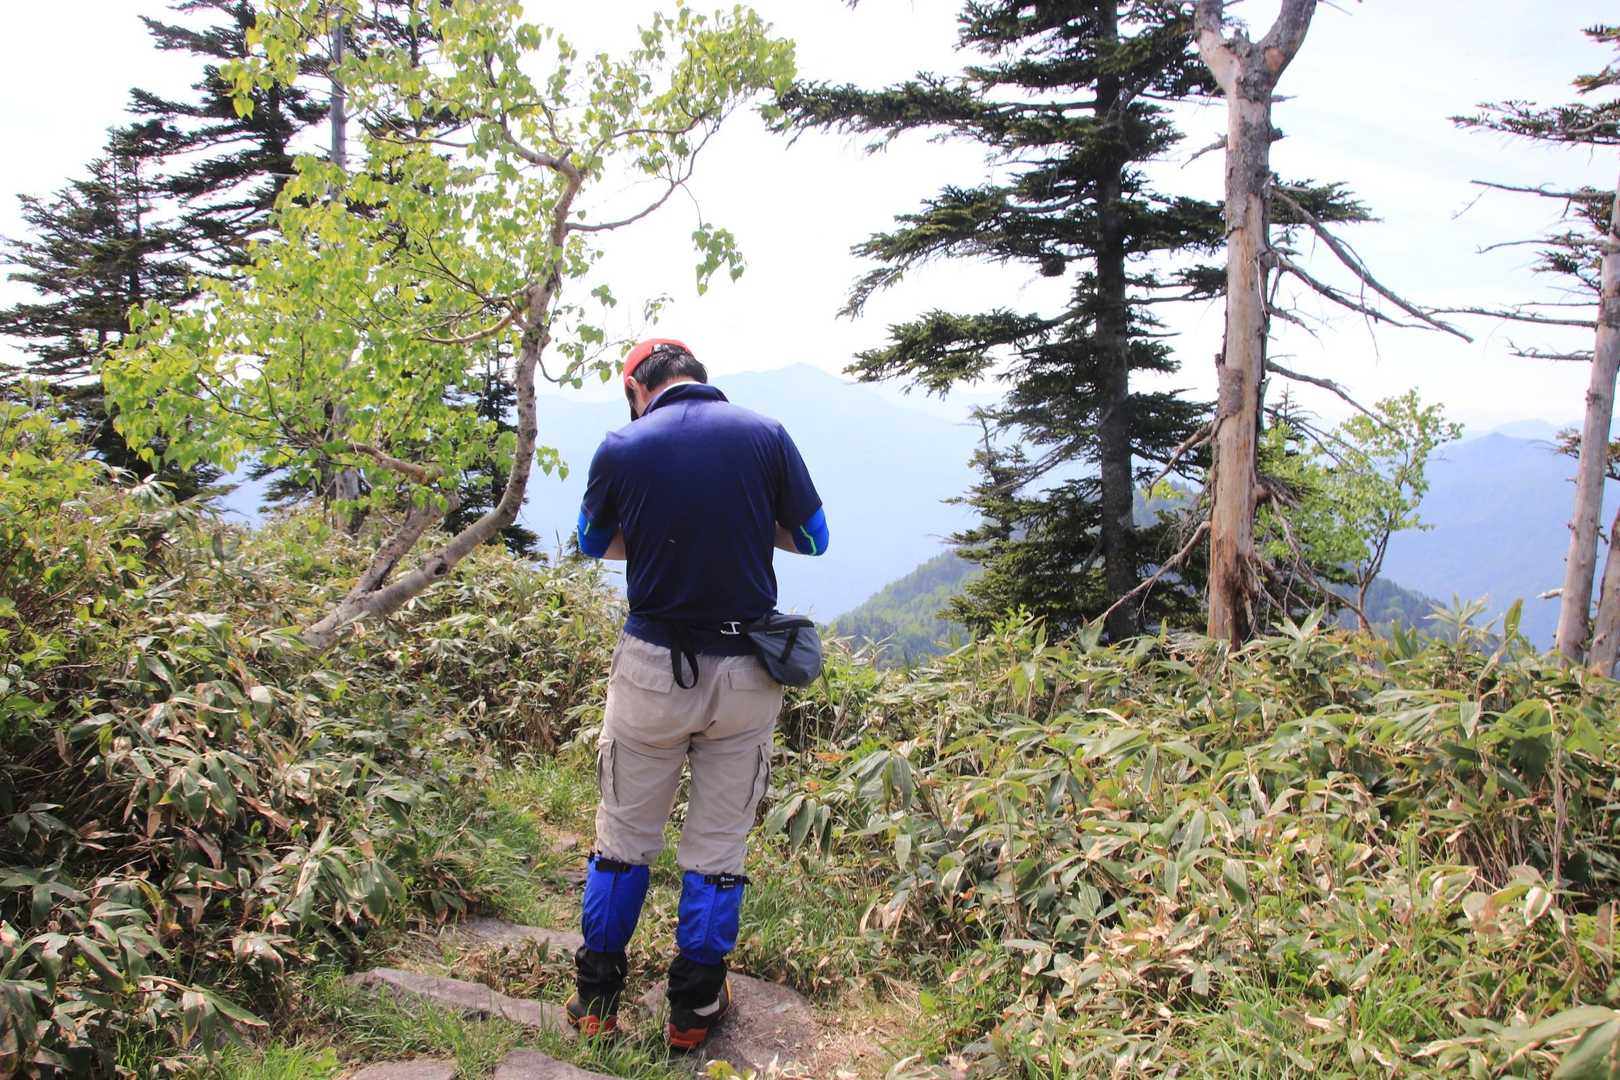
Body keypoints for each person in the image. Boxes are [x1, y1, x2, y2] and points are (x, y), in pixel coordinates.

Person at [566, 338, 829, 1049]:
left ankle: (596, 1002)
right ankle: (693, 1011)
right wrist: (743, 526)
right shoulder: (766, 434)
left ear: (636, 389)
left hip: (651, 667)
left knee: (623, 840)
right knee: (717, 847)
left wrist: (657, 536)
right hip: (746, 670)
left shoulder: (622, 445)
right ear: (699, 379)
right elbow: (814, 539)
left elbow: (590, 541)